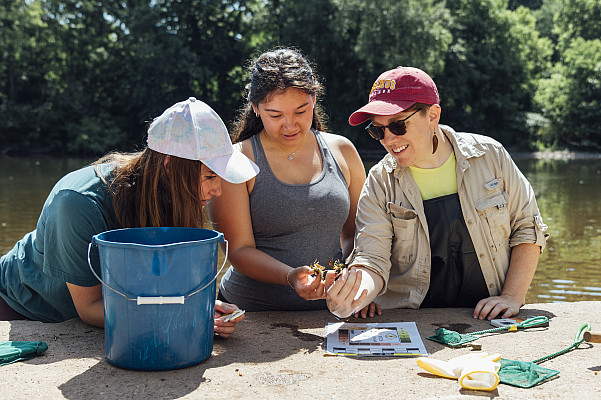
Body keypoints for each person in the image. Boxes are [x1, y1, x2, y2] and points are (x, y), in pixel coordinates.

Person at [0, 97, 258, 338]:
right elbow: (89, 308)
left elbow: (166, 290)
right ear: (169, 166)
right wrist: (187, 316)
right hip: (22, 307)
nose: (218, 191)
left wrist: (202, 307)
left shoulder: (175, 194)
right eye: (210, 177)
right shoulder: (76, 202)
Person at [325, 66, 548, 320]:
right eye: (377, 130)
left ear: (433, 116)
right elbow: (371, 257)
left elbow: (528, 228)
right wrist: (357, 289)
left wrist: (511, 296)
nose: (387, 139)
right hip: (413, 321)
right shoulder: (379, 182)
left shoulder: (491, 156)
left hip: (487, 318)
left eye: (397, 126)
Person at [209, 48, 368, 311]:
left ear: (314, 100)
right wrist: (290, 277)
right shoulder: (235, 162)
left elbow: (358, 236)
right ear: (255, 108)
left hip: (329, 314)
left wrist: (355, 286)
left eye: (300, 111)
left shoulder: (343, 151)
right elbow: (238, 251)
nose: (290, 125)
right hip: (251, 314)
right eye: (275, 115)